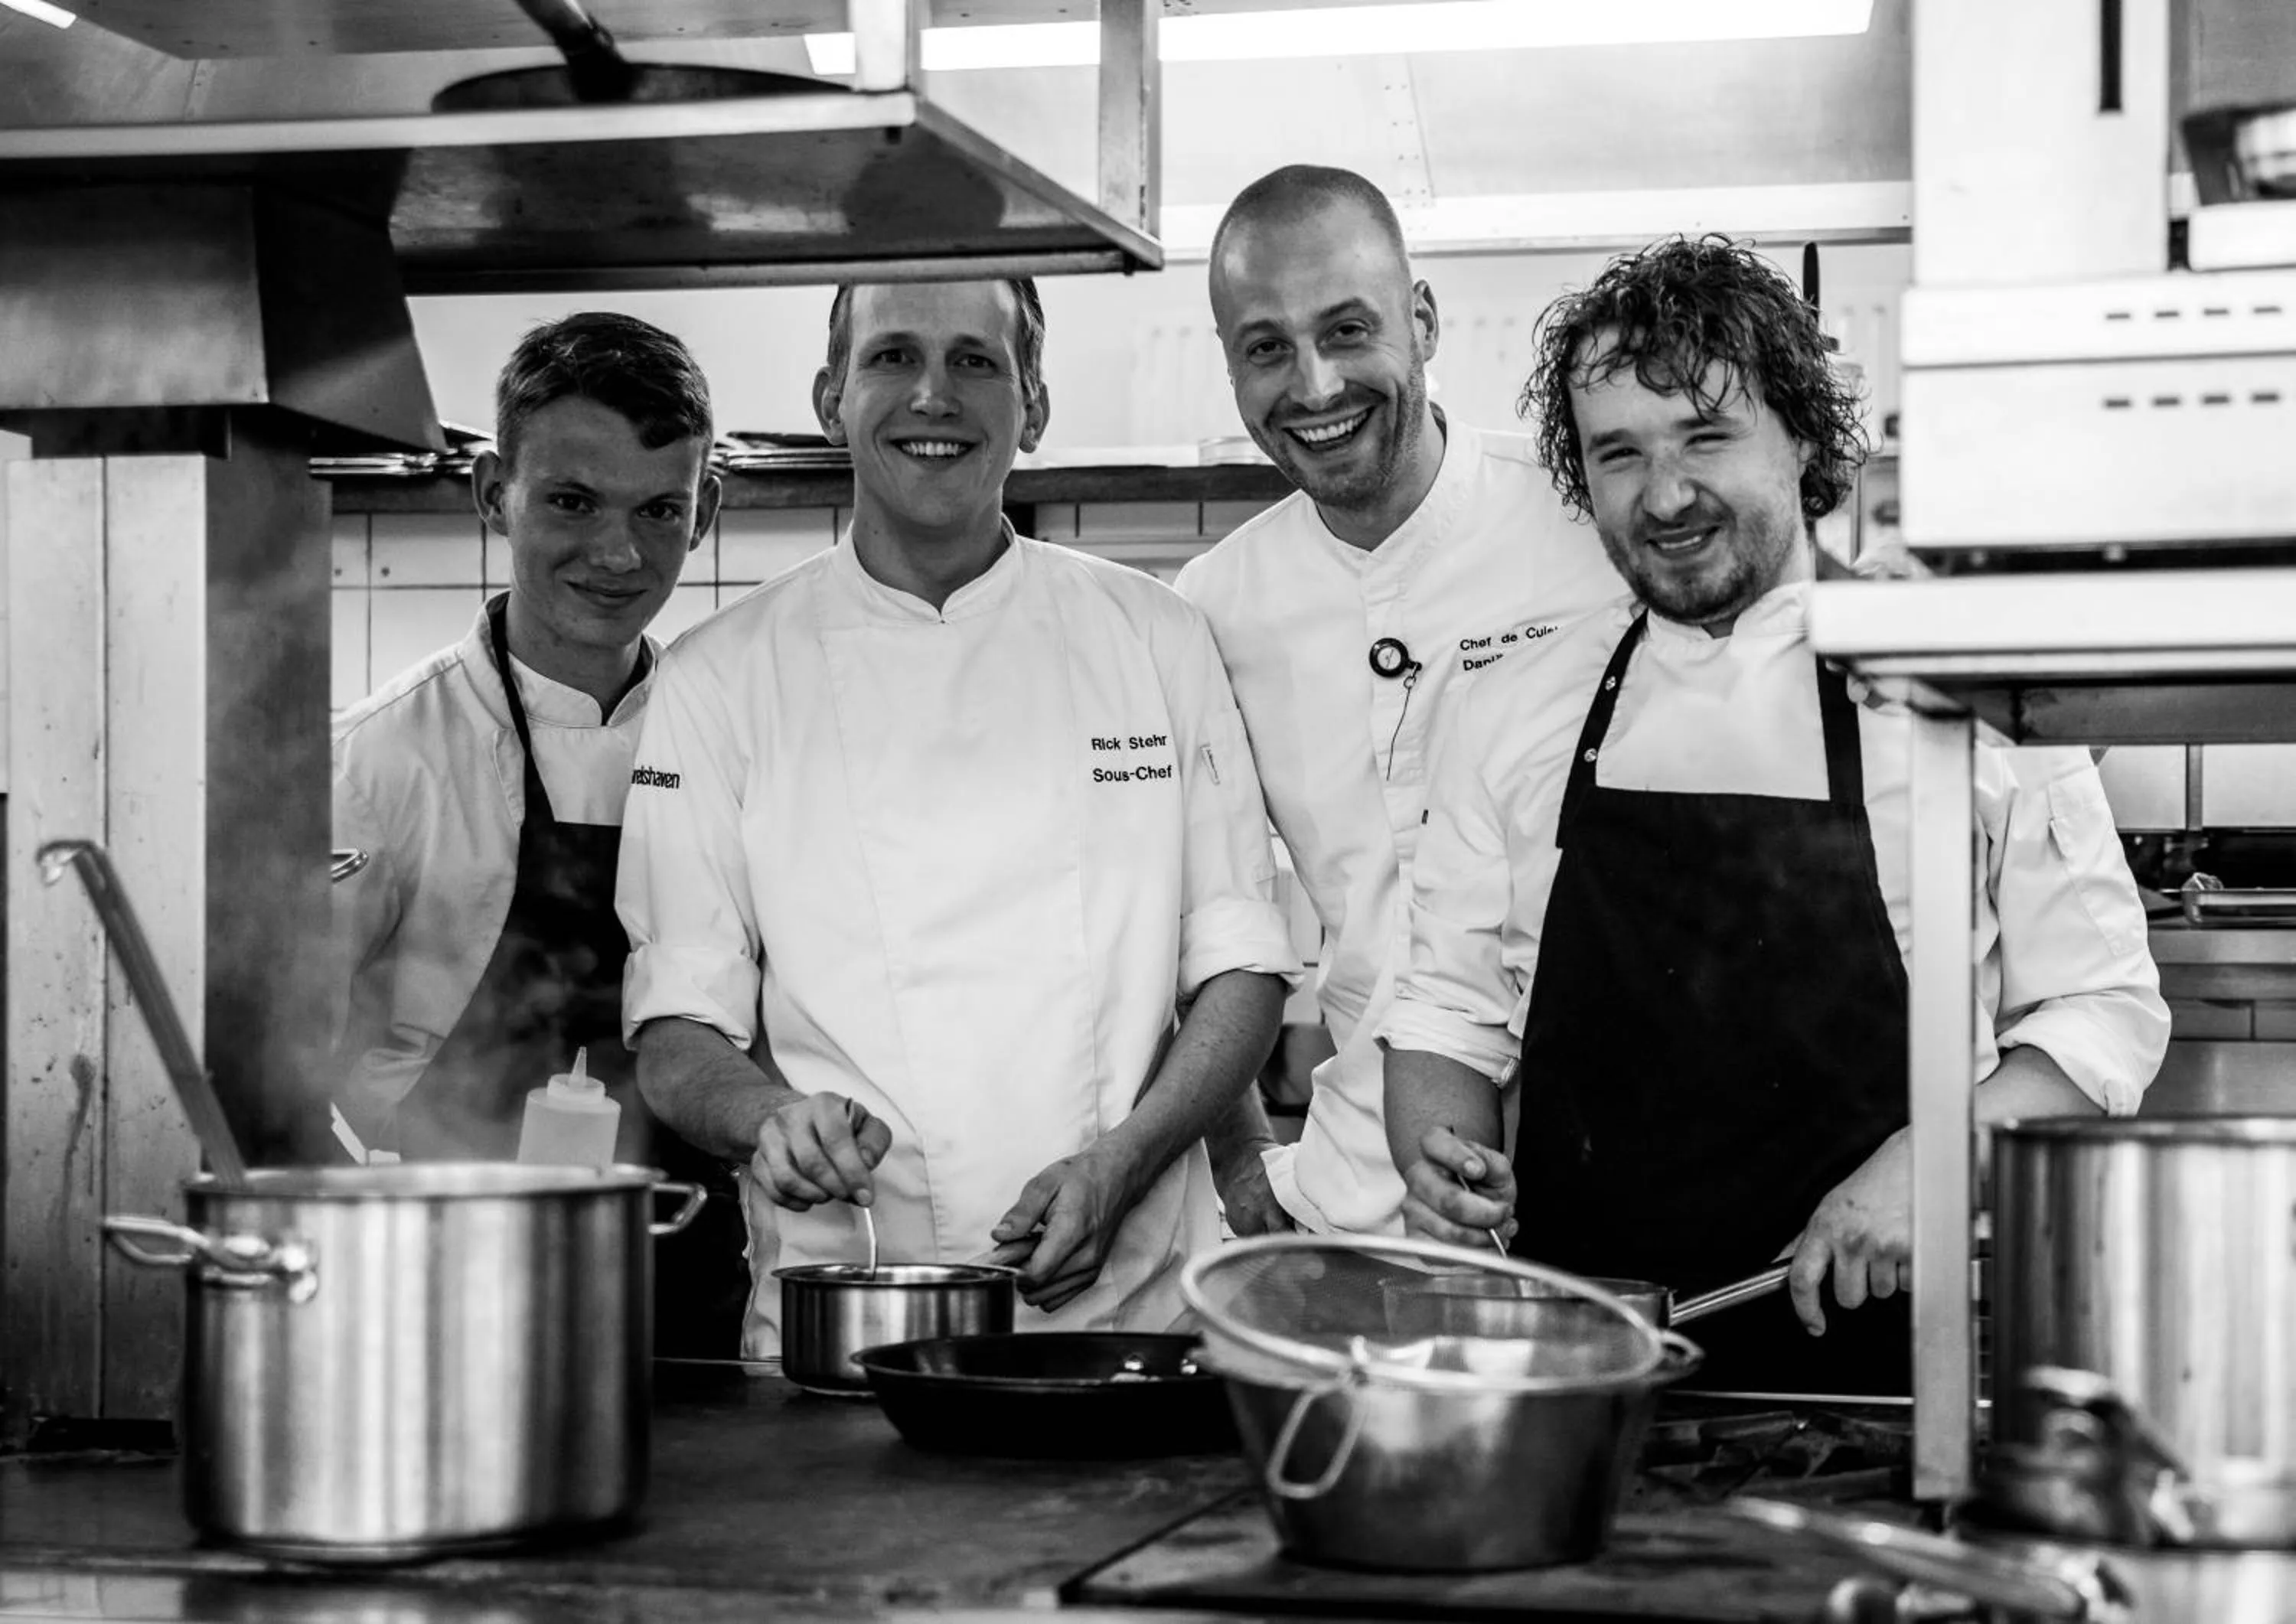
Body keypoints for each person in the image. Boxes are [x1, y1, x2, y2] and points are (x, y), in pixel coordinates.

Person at [1381, 236, 2168, 1392]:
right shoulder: (1518, 710)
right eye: (1619, 454)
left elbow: (2103, 1010)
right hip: (1585, 1390)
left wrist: (1934, 1157)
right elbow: (1447, 1013)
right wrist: (1447, 1171)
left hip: (1891, 1387)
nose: (1664, 495)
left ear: (1801, 434)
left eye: (1706, 437)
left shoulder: (1964, 696)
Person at [617, 277, 1300, 1357]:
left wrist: (1127, 1161)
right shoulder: (720, 680)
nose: (932, 395)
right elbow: (675, 1028)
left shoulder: (1156, 638)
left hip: (1131, 1327)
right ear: (829, 395)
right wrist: (765, 1121)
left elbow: (1242, 968)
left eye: (976, 361)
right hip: (845, 1326)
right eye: (892, 357)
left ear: (1033, 402)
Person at [1175, 165, 1623, 1237]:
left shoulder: (1591, 529)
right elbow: (1193, 928)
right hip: (1362, 1206)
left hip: (1615, 1179)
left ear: (1422, 320)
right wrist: (1244, 1162)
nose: (1316, 386)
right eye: (1267, 347)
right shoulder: (1211, 611)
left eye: (1348, 329)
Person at [329, 311, 749, 1355]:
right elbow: (273, 1066)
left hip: (694, 1298)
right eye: (571, 501)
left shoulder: (739, 743)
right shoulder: (384, 759)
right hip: (446, 1301)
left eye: (661, 508)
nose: (618, 551)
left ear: (707, 514)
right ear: (491, 493)